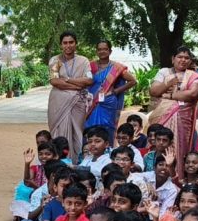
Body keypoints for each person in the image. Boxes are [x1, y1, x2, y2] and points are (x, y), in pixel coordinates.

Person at [149, 46, 198, 179]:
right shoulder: (164, 72)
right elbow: (154, 91)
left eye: (186, 58)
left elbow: (192, 94)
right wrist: (168, 84)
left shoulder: (193, 76)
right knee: (160, 145)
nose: (183, 60)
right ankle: (155, 176)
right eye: (180, 57)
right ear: (173, 59)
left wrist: (170, 95)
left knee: (181, 149)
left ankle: (177, 178)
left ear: (190, 61)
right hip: (163, 115)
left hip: (183, 118)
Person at [48, 31, 93, 160]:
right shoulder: (55, 60)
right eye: (65, 43)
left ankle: (77, 161)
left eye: (71, 42)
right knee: (58, 132)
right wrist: (77, 86)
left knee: (77, 132)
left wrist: (67, 79)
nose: (68, 45)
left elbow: (89, 80)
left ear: (76, 44)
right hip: (58, 102)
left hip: (78, 102)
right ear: (61, 45)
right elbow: (54, 81)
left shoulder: (83, 61)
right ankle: (59, 160)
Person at [84, 40, 137, 142]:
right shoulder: (90, 66)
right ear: (96, 51)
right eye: (99, 49)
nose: (102, 51)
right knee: (89, 128)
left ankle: (108, 150)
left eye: (105, 49)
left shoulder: (116, 67)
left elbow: (133, 81)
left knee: (107, 128)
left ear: (110, 51)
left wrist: (116, 91)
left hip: (108, 103)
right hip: (92, 103)